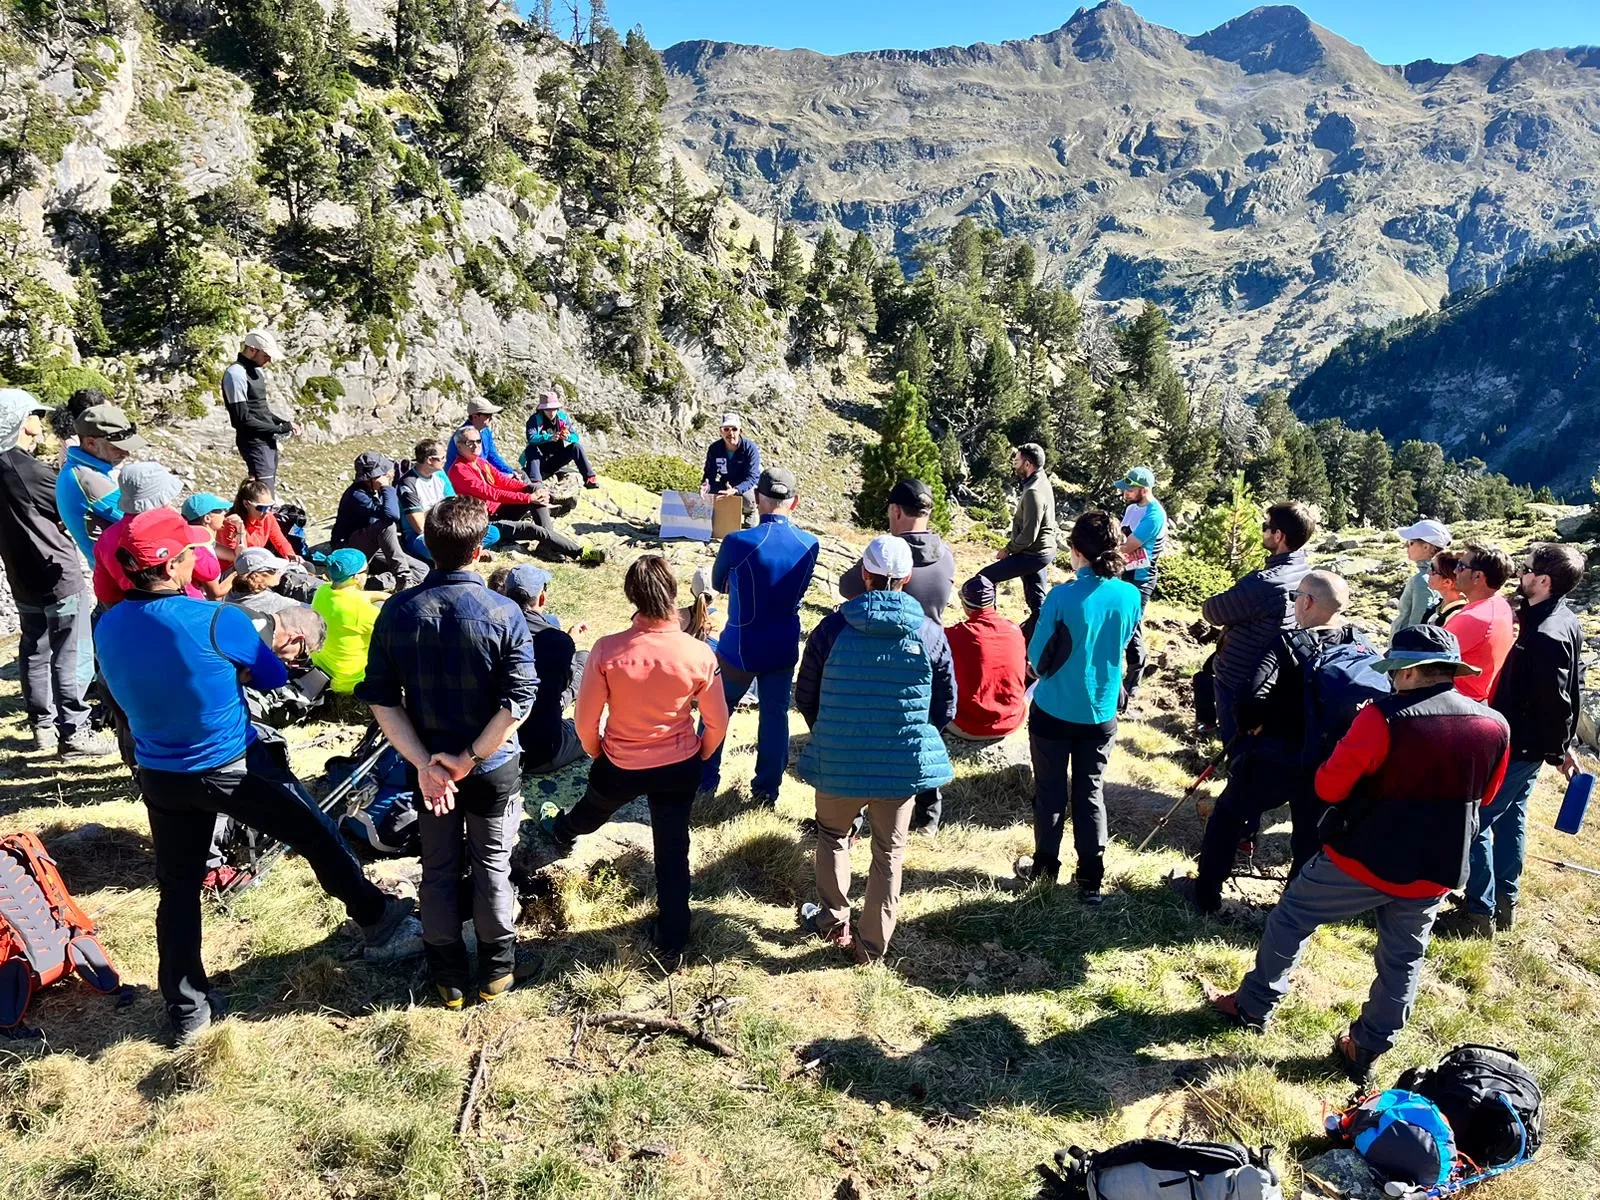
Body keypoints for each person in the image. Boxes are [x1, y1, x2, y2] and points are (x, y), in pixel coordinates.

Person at [95, 507, 415, 1043]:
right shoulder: (218, 621)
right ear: (173, 565)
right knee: (315, 834)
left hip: (160, 775)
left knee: (178, 889)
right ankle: (378, 919)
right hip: (232, 765)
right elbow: (271, 675)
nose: (197, 558)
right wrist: (257, 658)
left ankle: (186, 1008)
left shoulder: (107, 624)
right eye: (190, 552)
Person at [1206, 625, 1509, 1086]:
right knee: (1403, 958)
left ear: (1408, 671)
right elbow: (1486, 796)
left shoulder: (1383, 718)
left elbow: (1328, 786)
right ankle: (1367, 1046)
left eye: (1394, 671)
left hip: (1366, 856)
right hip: (1438, 865)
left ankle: (1253, 1005)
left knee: (1292, 915)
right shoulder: (1494, 725)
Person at [357, 496, 539, 1009]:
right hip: (491, 765)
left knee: (437, 866)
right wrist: (470, 758)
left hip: (429, 768)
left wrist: (426, 765)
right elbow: (519, 700)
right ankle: (497, 970)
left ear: (426, 545)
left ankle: (448, 976)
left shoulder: (397, 610)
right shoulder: (505, 612)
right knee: (492, 863)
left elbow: (382, 699)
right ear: (479, 550)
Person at [540, 555, 729, 965]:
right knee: (673, 849)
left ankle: (563, 831)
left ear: (631, 596)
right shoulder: (699, 653)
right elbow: (717, 720)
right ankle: (673, 937)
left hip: (620, 762)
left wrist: (596, 750)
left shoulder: (607, 650)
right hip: (678, 764)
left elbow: (585, 720)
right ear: (673, 593)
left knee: (592, 810)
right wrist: (702, 752)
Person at [1171, 570, 1380, 913]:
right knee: (1309, 837)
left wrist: (1252, 723)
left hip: (1277, 757)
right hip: (1332, 762)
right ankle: (1293, 910)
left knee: (1228, 815)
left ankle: (1205, 895)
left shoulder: (1288, 644)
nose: (1294, 603)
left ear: (1308, 602)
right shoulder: (1360, 643)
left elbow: (1251, 698)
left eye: (1296, 597)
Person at [794, 535, 956, 962]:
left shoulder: (832, 628)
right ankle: (870, 947)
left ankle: (832, 921)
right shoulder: (930, 633)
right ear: (907, 578)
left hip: (839, 761)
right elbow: (945, 706)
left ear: (863, 575)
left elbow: (806, 694)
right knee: (889, 852)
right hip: (900, 767)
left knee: (833, 836)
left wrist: (831, 732)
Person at [1444, 544, 1585, 937]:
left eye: (1527, 569)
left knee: (1474, 822)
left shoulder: (1544, 635)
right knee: (1511, 821)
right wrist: (1561, 745)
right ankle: (1504, 902)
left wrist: (1558, 749)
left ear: (1544, 581)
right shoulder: (1560, 618)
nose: (1520, 574)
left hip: (1518, 745)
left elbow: (1557, 699)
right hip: (1528, 745)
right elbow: (1574, 686)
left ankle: (1478, 914)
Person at [1014, 512, 1142, 904]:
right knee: (1090, 792)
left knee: (1050, 791)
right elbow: (1129, 647)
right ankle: (1090, 881)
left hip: (1053, 710)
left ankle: (1044, 871)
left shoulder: (1061, 596)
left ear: (1075, 550)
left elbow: (1037, 660)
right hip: (1101, 711)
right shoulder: (1131, 596)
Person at [699, 467, 819, 807]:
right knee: (775, 717)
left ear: (756, 497)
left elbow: (719, 583)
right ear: (795, 502)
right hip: (782, 644)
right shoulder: (810, 544)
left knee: (717, 711)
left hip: (740, 644)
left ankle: (704, 781)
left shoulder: (738, 541)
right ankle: (767, 791)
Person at [0, 390, 111, 758]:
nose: (41, 420)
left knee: (34, 647)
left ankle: (42, 728)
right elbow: (68, 506)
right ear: (21, 422)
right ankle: (75, 732)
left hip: (21, 575)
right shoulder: (28, 470)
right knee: (71, 649)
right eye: (35, 413)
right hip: (56, 572)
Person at [1201, 501, 1315, 747]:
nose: (1262, 530)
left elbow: (1213, 611)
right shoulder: (1304, 571)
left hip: (1238, 674)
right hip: (1271, 675)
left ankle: (1233, 766)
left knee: (1235, 742)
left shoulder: (1264, 583)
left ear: (1278, 535)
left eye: (1266, 526)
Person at [447, 427, 603, 564]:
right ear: (459, 446)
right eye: (470, 442)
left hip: (499, 510)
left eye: (478, 441)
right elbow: (491, 493)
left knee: (533, 487)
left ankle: (548, 545)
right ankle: (580, 552)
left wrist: (530, 490)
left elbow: (502, 481)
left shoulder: (480, 462)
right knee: (533, 530)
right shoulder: (459, 470)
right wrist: (529, 498)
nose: (476, 445)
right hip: (486, 520)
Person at [488, 564, 590, 775]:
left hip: (493, 744)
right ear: (542, 598)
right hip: (540, 753)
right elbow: (563, 684)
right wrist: (569, 641)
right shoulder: (558, 641)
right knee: (589, 732)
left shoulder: (487, 629)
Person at [92, 463, 224, 607]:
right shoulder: (171, 528)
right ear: (162, 498)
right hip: (184, 604)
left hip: (137, 607)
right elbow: (209, 571)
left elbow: (106, 594)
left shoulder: (106, 538)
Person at [838, 477, 955, 620]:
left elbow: (847, 587)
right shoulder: (946, 555)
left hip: (884, 632)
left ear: (896, 511)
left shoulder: (886, 553)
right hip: (932, 633)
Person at [974, 443, 1057, 640]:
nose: (1014, 464)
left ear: (1028, 464)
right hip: (1041, 551)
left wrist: (1008, 550)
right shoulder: (1040, 480)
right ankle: (1036, 639)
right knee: (1037, 602)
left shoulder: (1034, 491)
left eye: (1017, 460)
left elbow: (1029, 535)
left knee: (985, 579)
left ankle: (989, 630)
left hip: (1033, 553)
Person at [57, 402, 145, 560]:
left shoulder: (75, 467)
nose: (126, 454)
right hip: (114, 569)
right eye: (116, 447)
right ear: (90, 443)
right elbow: (142, 521)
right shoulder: (88, 479)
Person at [945, 575, 1028, 742]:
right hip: (1012, 721)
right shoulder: (1014, 629)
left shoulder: (954, 635)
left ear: (965, 605)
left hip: (967, 725)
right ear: (993, 602)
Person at [331, 451, 427, 590]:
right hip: (350, 548)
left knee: (422, 569)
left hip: (376, 548)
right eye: (382, 474)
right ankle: (402, 579)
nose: (387, 475)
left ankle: (372, 584)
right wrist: (386, 487)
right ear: (371, 478)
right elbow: (392, 515)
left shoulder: (373, 491)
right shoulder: (357, 495)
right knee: (387, 525)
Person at [398, 438, 501, 563]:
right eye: (441, 458)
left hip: (447, 527)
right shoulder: (408, 483)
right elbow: (419, 526)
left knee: (492, 532)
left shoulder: (440, 474)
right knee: (425, 546)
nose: (445, 460)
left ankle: (460, 554)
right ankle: (469, 553)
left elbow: (453, 504)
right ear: (429, 460)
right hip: (422, 535)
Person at [1116, 466, 1168, 709]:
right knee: (1125, 624)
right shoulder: (1131, 509)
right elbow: (1121, 537)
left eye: (1129, 489)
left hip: (1141, 578)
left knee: (1131, 625)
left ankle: (1132, 680)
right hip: (1123, 572)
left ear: (1144, 489)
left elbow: (1129, 545)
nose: (1125, 493)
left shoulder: (1155, 515)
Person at [221, 330, 294, 486]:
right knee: (263, 491)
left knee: (264, 489)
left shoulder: (256, 371)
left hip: (266, 440)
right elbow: (242, 420)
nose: (269, 360)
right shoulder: (236, 374)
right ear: (252, 350)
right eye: (266, 355)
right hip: (253, 443)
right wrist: (279, 429)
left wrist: (283, 423)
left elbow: (261, 410)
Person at [1446, 543, 1516, 702]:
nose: (1455, 571)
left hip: (1456, 701)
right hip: (1479, 699)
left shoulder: (1473, 618)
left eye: (1461, 566)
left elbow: (1425, 657)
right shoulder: (1500, 605)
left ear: (1478, 576)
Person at [311, 549, 384, 696]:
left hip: (324, 667)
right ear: (356, 577)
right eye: (366, 571)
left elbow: (357, 597)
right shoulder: (363, 611)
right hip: (352, 681)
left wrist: (384, 595)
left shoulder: (322, 591)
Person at [523, 390, 599, 487]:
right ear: (542, 409)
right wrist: (549, 437)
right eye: (548, 409)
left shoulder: (563, 418)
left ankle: (589, 478)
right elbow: (531, 438)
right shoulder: (534, 419)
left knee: (576, 447)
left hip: (556, 459)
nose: (551, 412)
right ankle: (536, 482)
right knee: (531, 448)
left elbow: (575, 437)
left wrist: (568, 437)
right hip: (539, 461)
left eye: (554, 409)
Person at [699, 413, 762, 528]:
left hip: (747, 486)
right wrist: (705, 485)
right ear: (721, 431)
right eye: (726, 429)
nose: (730, 433)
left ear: (740, 431)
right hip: (726, 484)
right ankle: (718, 517)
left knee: (748, 498)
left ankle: (750, 511)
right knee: (706, 493)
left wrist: (735, 490)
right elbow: (709, 474)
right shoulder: (714, 449)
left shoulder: (750, 448)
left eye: (734, 429)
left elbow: (752, 478)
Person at [217, 479, 301, 564]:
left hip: (255, 563)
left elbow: (281, 542)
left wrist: (291, 555)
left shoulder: (268, 518)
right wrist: (240, 530)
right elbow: (237, 558)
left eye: (270, 506)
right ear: (246, 504)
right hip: (233, 567)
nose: (267, 511)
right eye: (262, 508)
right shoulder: (232, 523)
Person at [1392, 519, 1451, 635]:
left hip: (1404, 644)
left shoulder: (1423, 581)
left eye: (1411, 542)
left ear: (1426, 547)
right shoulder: (1441, 576)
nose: (1405, 545)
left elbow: (1417, 628)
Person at [444, 396, 522, 476]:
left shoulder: (485, 431)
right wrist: (507, 475)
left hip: (481, 473)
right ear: (475, 417)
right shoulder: (464, 436)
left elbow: (493, 456)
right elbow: (475, 466)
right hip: (464, 476)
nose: (491, 418)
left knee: (520, 474)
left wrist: (510, 471)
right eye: (487, 415)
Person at [224, 547, 301, 619]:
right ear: (257, 576)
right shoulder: (271, 602)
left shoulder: (232, 592)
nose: (279, 571)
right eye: (274, 569)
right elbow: (304, 609)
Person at [1425, 550, 1468, 626]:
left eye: (1433, 569)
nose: (1428, 573)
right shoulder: (1442, 606)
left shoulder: (1456, 616)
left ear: (1447, 582)